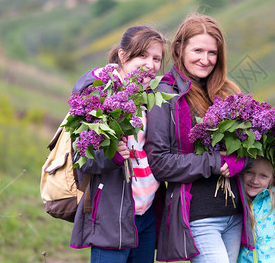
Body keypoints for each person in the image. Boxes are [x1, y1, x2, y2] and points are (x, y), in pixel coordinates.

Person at [144, 13, 255, 263]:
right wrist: (214, 162)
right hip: (198, 216)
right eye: (198, 50)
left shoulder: (229, 91)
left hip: (235, 216)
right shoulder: (164, 94)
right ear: (180, 49)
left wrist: (239, 160)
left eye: (212, 53)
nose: (205, 60)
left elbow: (250, 146)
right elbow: (160, 163)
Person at [69, 25, 168, 263]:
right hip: (113, 212)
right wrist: (111, 155)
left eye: (157, 59)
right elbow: (82, 155)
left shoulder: (147, 95)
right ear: (123, 55)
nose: (151, 64)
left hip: (145, 213)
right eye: (142, 55)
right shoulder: (99, 90)